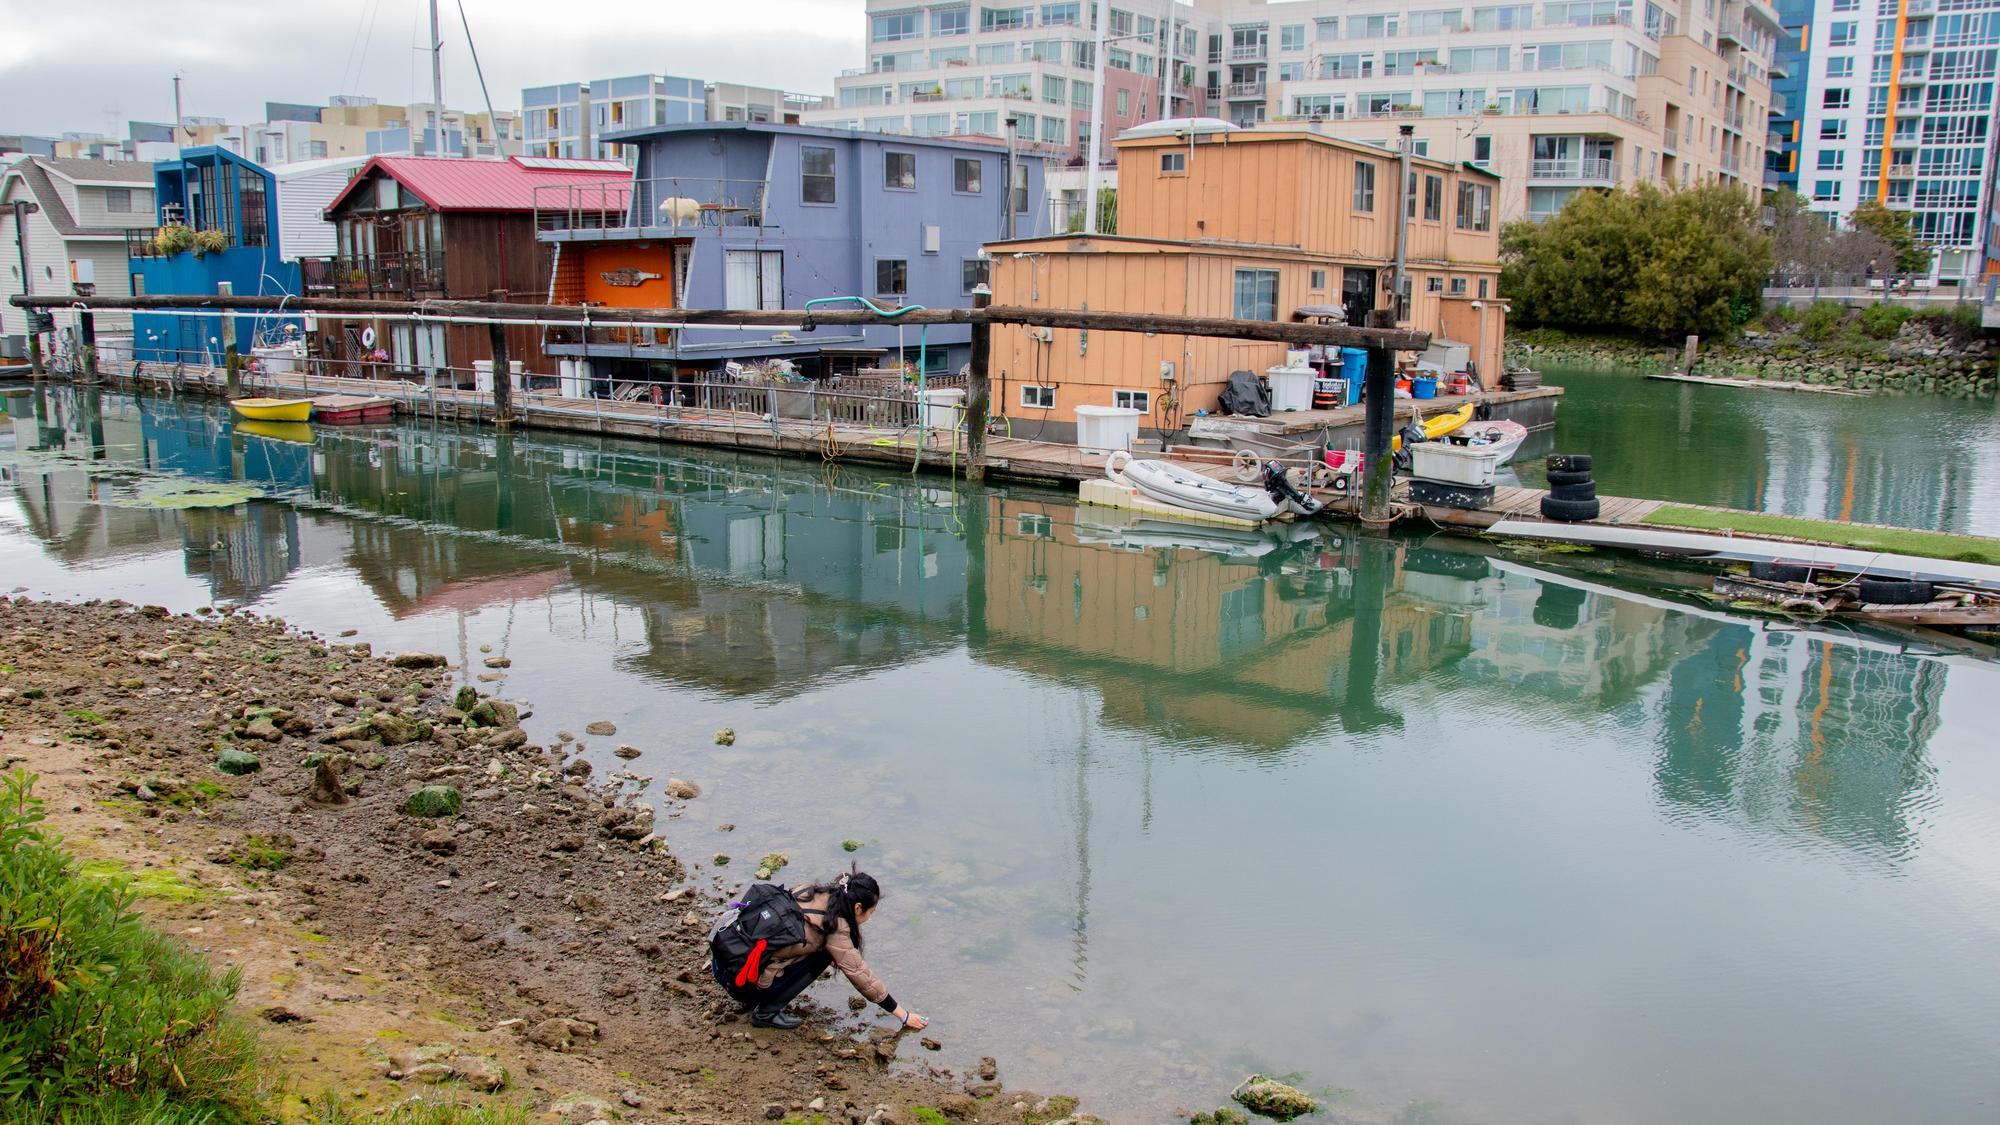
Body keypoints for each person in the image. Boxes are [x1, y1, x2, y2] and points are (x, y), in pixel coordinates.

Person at [711, 870, 929, 1031]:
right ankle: (765, 1013)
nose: (870, 918)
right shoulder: (833, 929)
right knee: (824, 955)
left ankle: (759, 993)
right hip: (738, 983)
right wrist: (902, 1014)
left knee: (813, 948)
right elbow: (862, 977)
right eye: (871, 912)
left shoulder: (808, 890)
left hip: (722, 963)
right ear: (858, 908)